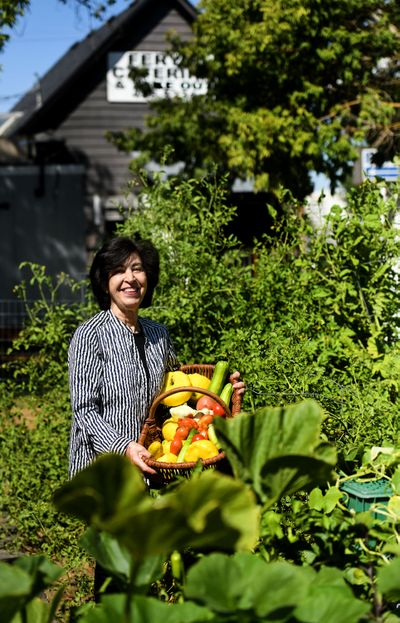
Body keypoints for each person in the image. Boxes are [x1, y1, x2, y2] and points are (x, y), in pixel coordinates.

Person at [68, 236, 244, 479]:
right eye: (119, 271)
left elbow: (182, 391)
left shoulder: (158, 334)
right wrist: (125, 447)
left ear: (147, 277)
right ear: (104, 281)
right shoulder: (90, 335)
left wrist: (226, 388)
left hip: (155, 462)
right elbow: (84, 411)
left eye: (137, 269)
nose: (130, 278)